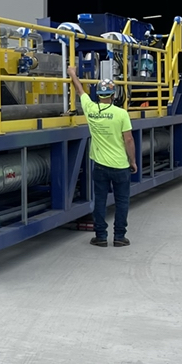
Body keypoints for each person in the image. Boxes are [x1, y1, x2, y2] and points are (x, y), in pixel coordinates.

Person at [67, 66, 138, 247]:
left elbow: (80, 90)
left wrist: (72, 74)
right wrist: (133, 161)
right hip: (121, 166)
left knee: (100, 200)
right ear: (113, 95)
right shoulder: (121, 114)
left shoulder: (91, 109)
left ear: (98, 94)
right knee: (122, 202)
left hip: (100, 166)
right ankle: (120, 237)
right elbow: (128, 140)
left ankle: (100, 237)